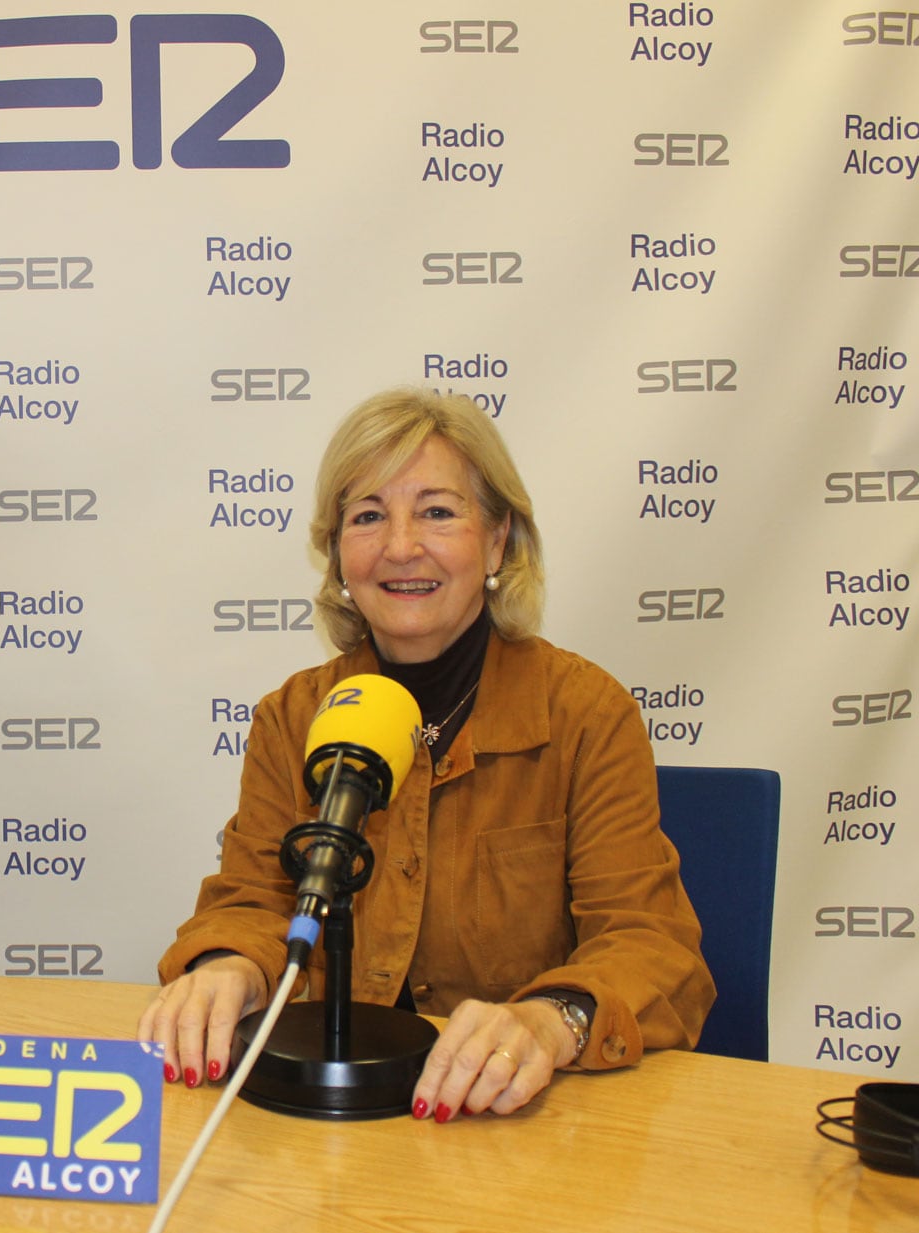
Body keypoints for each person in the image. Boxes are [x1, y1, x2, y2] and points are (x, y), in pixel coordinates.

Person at [139, 387, 713, 1121]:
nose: (401, 545)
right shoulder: (294, 716)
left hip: (517, 1121)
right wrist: (230, 966)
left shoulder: (585, 713)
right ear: (339, 552)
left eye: (438, 512)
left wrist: (548, 1019)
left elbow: (649, 942)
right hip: (336, 1118)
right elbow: (254, 899)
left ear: (499, 539)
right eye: (368, 515)